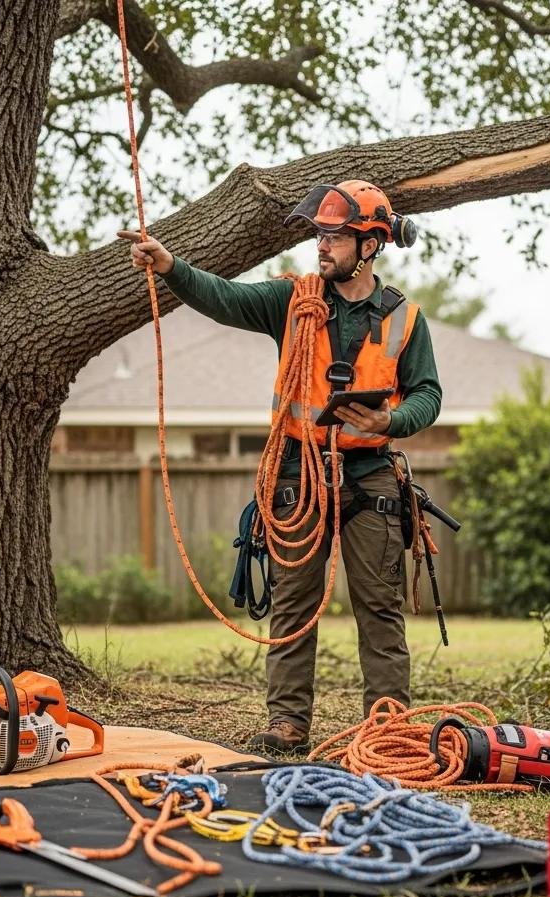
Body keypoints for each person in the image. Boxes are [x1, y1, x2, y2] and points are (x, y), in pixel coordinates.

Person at [120, 180, 442, 754]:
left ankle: (389, 727)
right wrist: (171, 266)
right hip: (298, 476)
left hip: (371, 478)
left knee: (380, 609)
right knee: (294, 605)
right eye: (320, 232)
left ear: (369, 245)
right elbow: (223, 297)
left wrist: (387, 424)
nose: (323, 244)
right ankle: (288, 724)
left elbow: (428, 394)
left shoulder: (406, 319)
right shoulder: (291, 302)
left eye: (336, 235)